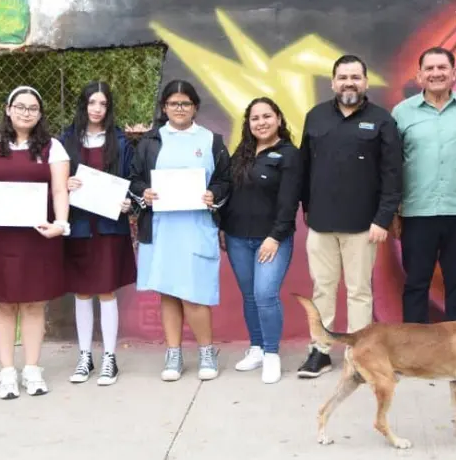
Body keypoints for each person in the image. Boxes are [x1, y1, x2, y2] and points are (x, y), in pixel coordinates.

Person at [296, 55, 403, 378]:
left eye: (355, 77)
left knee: (359, 291)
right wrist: (306, 207)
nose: (349, 83)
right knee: (323, 289)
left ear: (366, 82)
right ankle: (320, 351)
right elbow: (304, 167)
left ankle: (360, 355)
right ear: (332, 82)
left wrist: (383, 218)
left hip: (363, 226)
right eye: (343, 77)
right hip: (321, 224)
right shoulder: (315, 117)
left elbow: (393, 174)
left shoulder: (382, 120)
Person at [0, 86, 70, 400]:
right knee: (3, 303)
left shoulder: (53, 148)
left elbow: (59, 191)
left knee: (33, 302)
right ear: (8, 109)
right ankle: (6, 372)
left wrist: (61, 224)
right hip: (1, 236)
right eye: (20, 106)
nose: (26, 112)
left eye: (33, 108)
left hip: (38, 237)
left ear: (40, 114)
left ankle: (31, 368)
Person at [130, 80, 233, 382]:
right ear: (164, 108)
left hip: (196, 226)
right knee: (169, 293)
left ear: (195, 107)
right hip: (162, 229)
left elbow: (225, 180)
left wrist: (214, 195)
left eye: (185, 103)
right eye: (173, 103)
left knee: (195, 294)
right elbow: (135, 179)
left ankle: (206, 351)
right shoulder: (150, 141)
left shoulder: (211, 140)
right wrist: (144, 193)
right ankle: (173, 353)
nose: (179, 108)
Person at [391, 47, 456, 324]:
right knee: (416, 284)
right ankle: (414, 350)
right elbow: (392, 164)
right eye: (430, 69)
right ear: (419, 75)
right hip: (416, 212)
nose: (436, 74)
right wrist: (394, 212)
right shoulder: (402, 113)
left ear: (454, 73)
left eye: (442, 68)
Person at [58, 81, 137, 387]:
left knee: (106, 290)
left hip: (108, 226)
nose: (97, 109)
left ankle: (109, 358)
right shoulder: (67, 140)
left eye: (103, 104)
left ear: (108, 108)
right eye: (92, 102)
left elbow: (130, 180)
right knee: (81, 291)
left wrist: (129, 201)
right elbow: (55, 179)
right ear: (84, 104)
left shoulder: (120, 141)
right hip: (78, 226)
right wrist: (66, 184)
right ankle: (84, 356)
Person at [221, 97, 302, 384]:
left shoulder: (290, 154)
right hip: (237, 238)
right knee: (250, 295)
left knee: (266, 295)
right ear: (249, 124)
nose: (261, 122)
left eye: (267, 116)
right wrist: (221, 224)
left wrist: (275, 237)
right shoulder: (241, 153)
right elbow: (228, 193)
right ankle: (256, 348)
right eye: (255, 118)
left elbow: (289, 202)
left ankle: (271, 354)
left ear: (279, 119)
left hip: (272, 240)